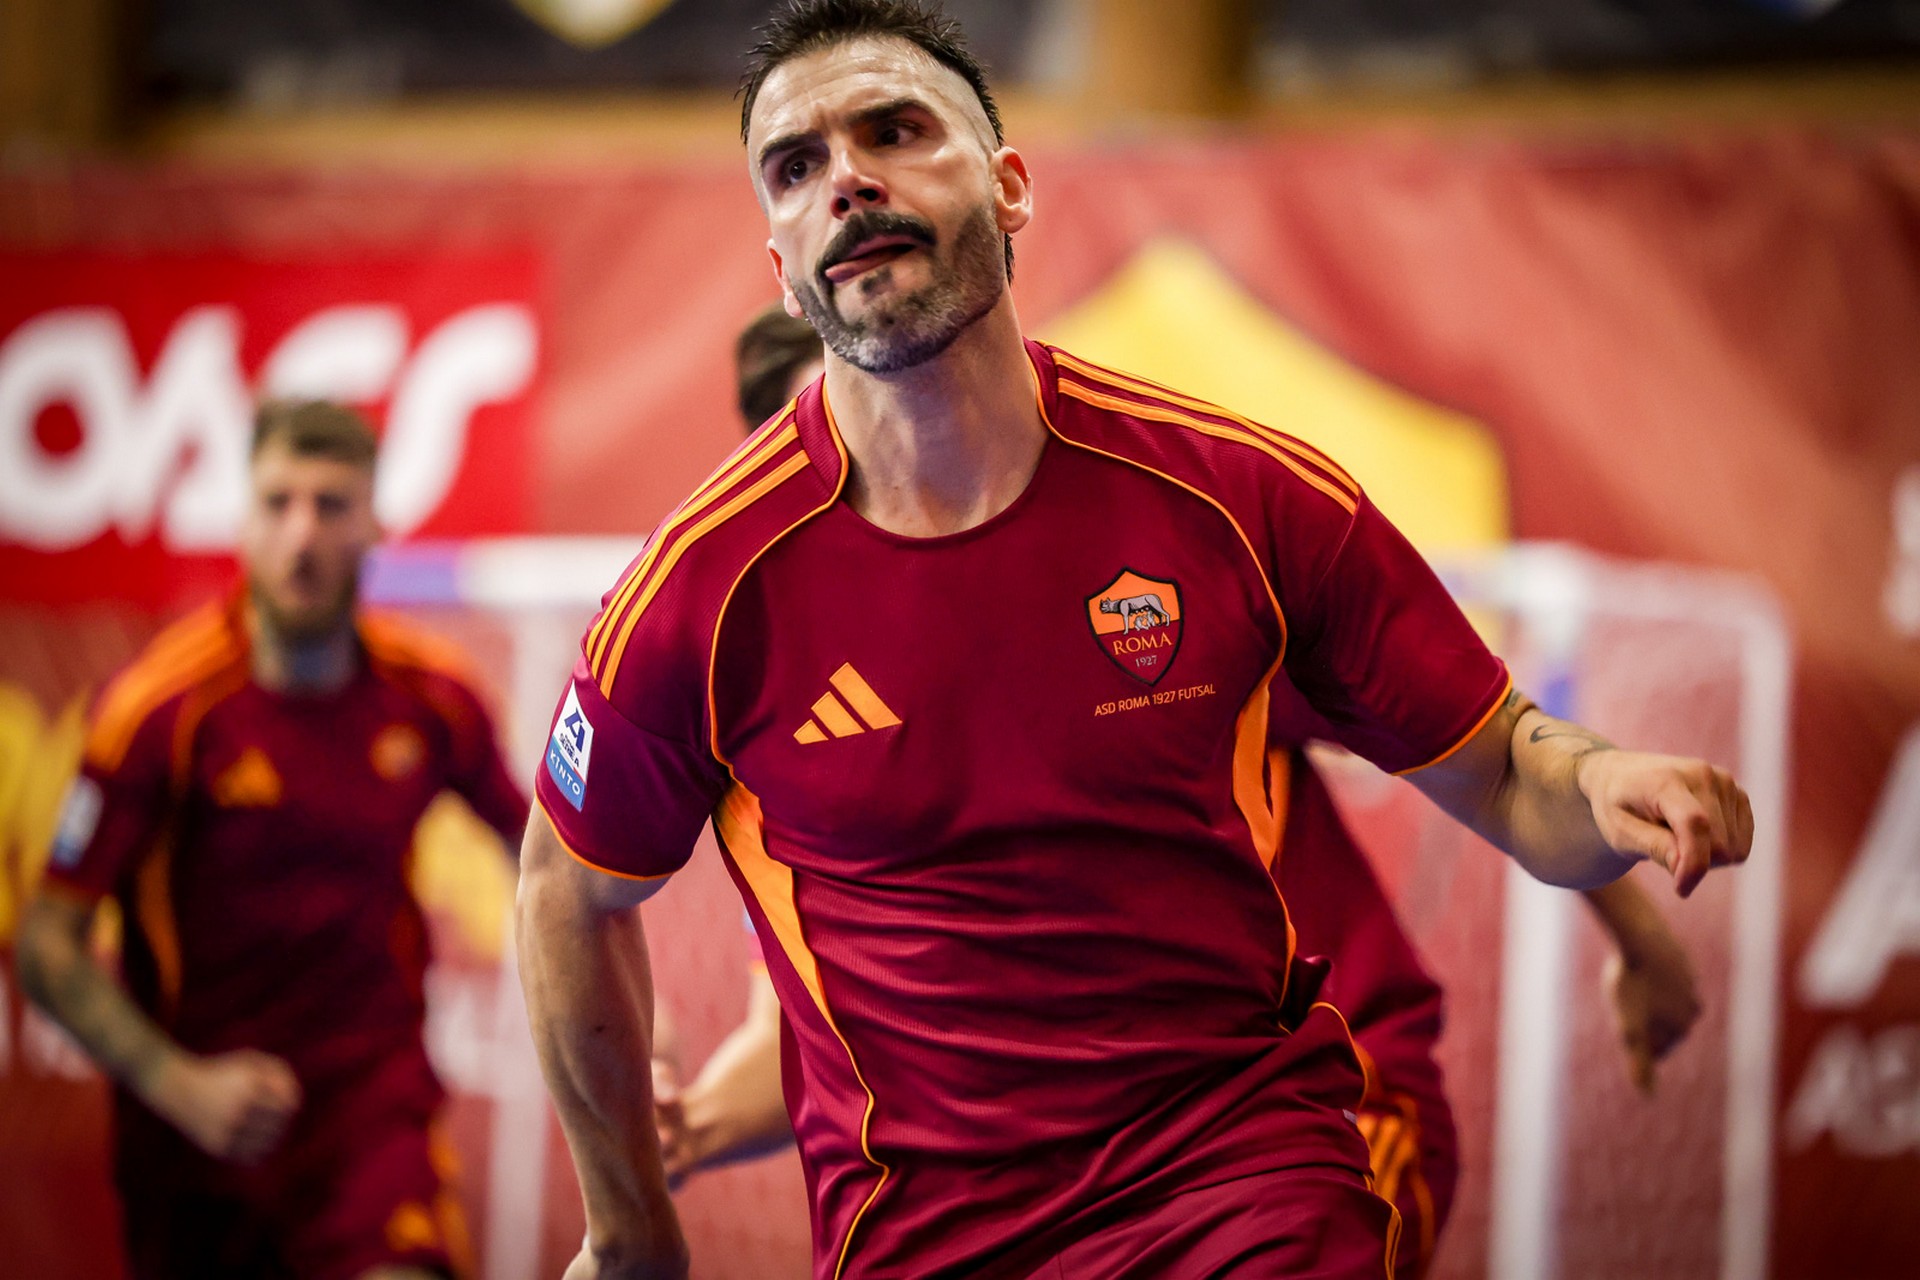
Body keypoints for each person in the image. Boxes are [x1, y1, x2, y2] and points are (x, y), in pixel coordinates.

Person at [514, 4, 1754, 1278]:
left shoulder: (1235, 501)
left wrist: (1601, 784)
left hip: (1245, 1188)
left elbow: (1502, 769)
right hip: (926, 1240)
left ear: (1010, 188)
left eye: (894, 130)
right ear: (781, 269)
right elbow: (562, 887)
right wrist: (630, 1229)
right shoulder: (702, 589)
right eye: (796, 165)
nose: (847, 180)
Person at [652, 307, 1705, 1274]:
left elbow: (1480, 758)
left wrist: (1642, 937)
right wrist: (684, 1129)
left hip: (1305, 1111)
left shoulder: (1141, 610)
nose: (901, 438)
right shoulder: (805, 770)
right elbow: (795, 1044)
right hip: (1063, 1191)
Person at [16, 401, 528, 1280]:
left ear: (375, 525)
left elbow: (549, 860)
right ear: (243, 521)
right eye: (278, 502)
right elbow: (46, 945)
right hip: (194, 1139)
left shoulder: (433, 698)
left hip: (370, 1120)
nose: (303, 535)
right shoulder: (157, 714)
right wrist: (175, 1082)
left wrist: (628, 1012)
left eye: (331, 506)